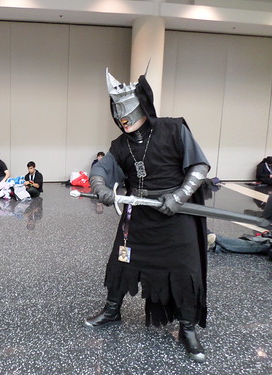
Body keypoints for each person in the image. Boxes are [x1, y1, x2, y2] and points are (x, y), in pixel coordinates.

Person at [83, 69, 210, 363]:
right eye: (118, 114)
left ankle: (187, 328)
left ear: (142, 104)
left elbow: (200, 166)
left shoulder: (173, 129)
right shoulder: (119, 145)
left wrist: (178, 197)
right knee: (121, 261)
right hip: (137, 215)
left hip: (175, 217)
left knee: (185, 273)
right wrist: (99, 186)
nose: (123, 120)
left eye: (127, 112)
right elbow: (102, 169)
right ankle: (112, 310)